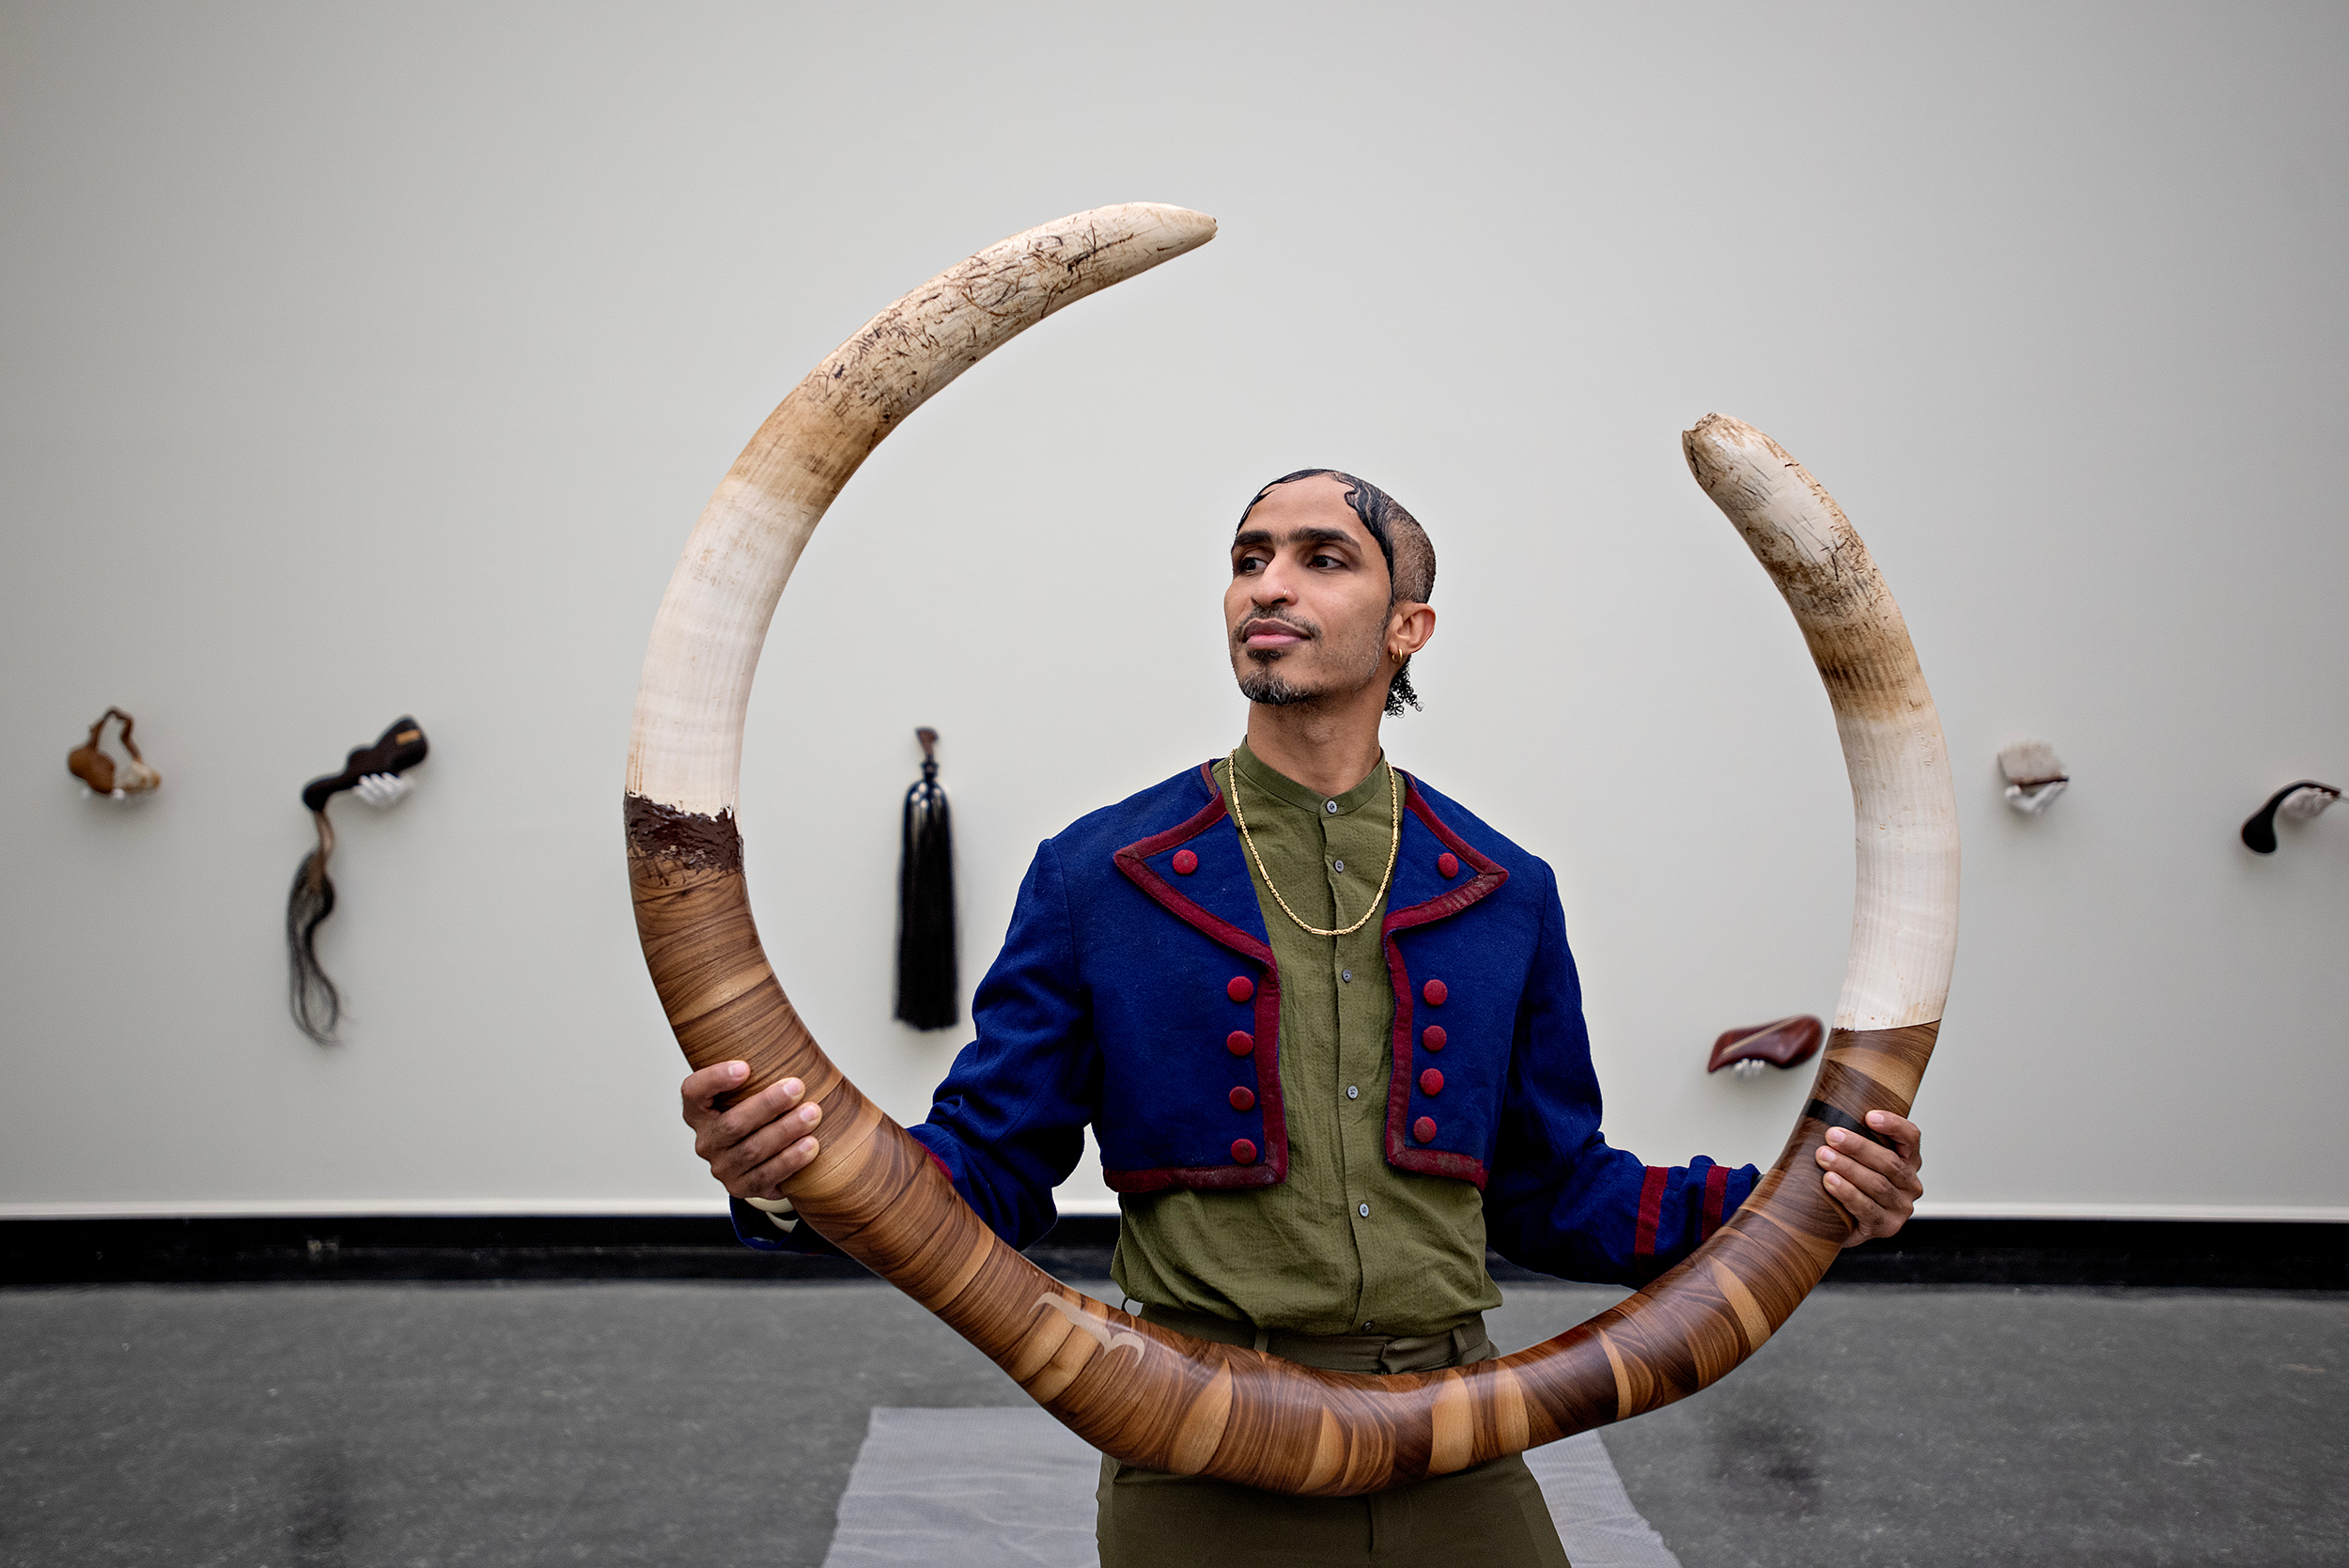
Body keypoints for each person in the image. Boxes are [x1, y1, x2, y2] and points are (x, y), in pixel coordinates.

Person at [679, 470, 1926, 1567]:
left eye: (1323, 558)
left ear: (1408, 626)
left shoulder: (1505, 890)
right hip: (1196, 1439)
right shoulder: (1097, 876)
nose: (1268, 584)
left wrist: (1805, 1199)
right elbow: (992, 1164)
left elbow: (1553, 1188)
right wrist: (797, 1176)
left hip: (1456, 1442)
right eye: (1248, 558)